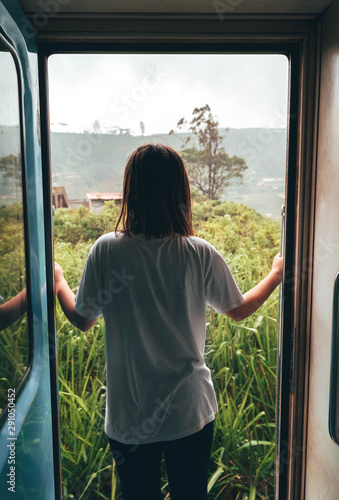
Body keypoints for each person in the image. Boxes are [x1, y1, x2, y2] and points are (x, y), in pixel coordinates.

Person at [54, 143, 283, 500]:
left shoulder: (107, 250)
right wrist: (276, 273)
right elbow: (238, 310)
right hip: (189, 410)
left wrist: (58, 284)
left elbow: (82, 319)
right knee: (191, 493)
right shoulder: (198, 252)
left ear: (131, 192)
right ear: (181, 192)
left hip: (131, 414)